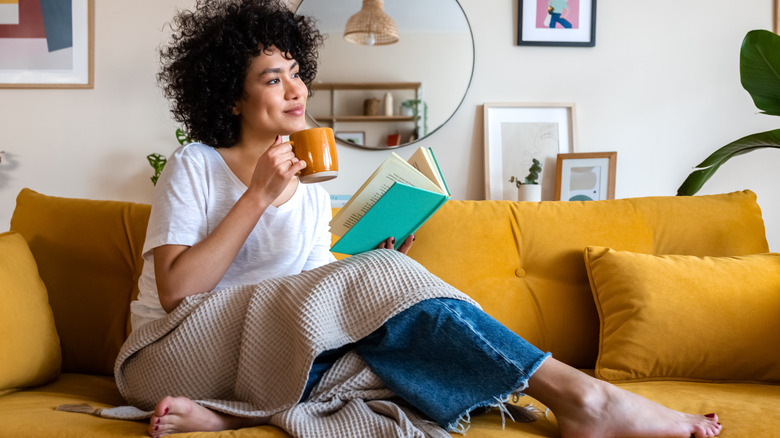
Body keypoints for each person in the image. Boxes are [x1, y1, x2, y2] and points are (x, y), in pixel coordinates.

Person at [124, 1, 723, 437]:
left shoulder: (307, 189)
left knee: (399, 347)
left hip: (260, 355)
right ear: (231, 96)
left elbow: (306, 300)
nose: (294, 90)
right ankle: (585, 397)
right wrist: (256, 197)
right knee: (387, 320)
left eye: (296, 72)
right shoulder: (197, 164)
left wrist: (376, 270)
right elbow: (178, 293)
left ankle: (229, 412)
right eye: (271, 78)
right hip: (169, 354)